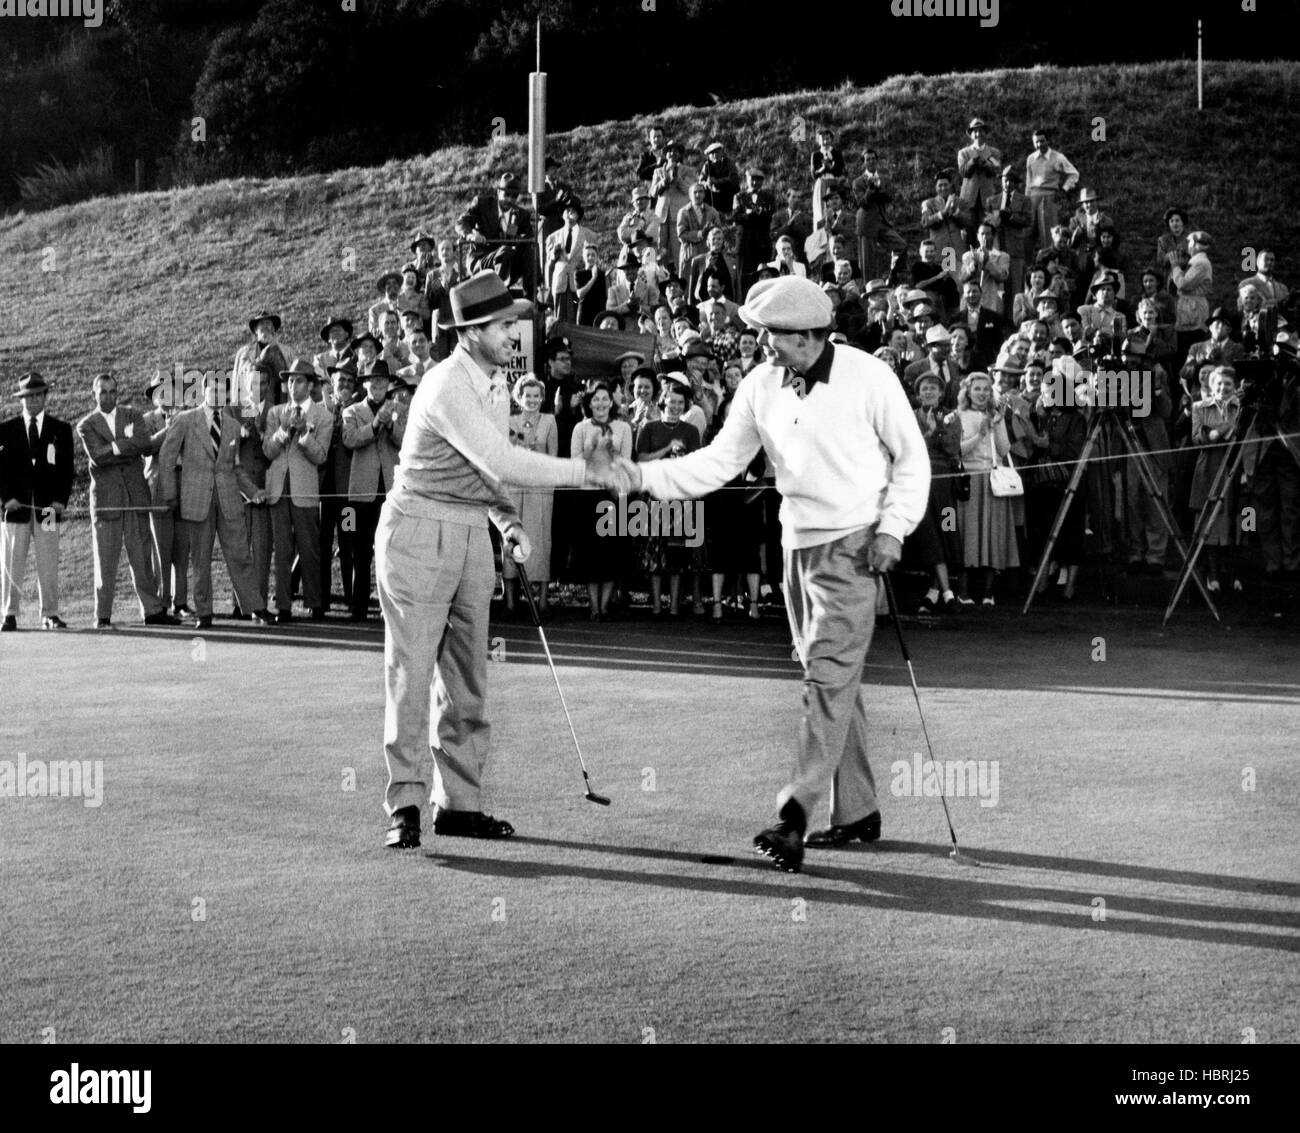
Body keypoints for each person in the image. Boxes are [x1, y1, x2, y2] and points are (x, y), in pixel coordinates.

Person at [616, 277, 929, 872]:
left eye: (770, 336)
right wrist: (642, 477)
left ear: (807, 335)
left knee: (826, 676)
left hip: (856, 548)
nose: (761, 345)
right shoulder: (760, 385)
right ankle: (858, 810)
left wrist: (894, 529)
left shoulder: (870, 376)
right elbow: (719, 463)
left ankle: (794, 816)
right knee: (833, 678)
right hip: (794, 550)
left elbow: (912, 460)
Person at [375, 271, 629, 850]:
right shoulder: (444, 385)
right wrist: (586, 470)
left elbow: (486, 470)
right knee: (411, 672)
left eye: (513, 323)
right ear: (470, 332)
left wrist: (508, 520)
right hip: (417, 529)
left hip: (470, 531)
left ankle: (458, 805)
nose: (513, 334)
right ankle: (405, 805)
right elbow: (501, 459)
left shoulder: (494, 385)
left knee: (467, 679)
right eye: (502, 325)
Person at [158, 371, 270, 629]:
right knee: (201, 559)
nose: (218, 395)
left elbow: (235, 467)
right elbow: (166, 458)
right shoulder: (185, 420)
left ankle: (256, 607)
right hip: (197, 501)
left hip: (229, 500)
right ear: (203, 390)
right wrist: (171, 494)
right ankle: (204, 612)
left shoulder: (232, 424)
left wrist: (253, 492)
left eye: (223, 391)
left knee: (241, 555)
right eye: (214, 389)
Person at [76, 372, 177, 628]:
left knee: (142, 556)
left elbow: (143, 444)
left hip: (135, 496)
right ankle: (103, 615)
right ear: (94, 394)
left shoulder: (132, 415)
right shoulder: (86, 425)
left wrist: (115, 448)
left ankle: (152, 611)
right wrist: (125, 445)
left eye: (113, 391)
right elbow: (99, 456)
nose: (108, 396)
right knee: (105, 559)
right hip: (107, 500)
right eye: (103, 392)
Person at [0, 372, 75, 631]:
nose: (33, 400)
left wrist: (60, 501)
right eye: (28, 396)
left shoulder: (60, 430)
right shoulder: (5, 430)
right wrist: (6, 498)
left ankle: (50, 614)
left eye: (38, 395)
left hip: (48, 508)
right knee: (12, 561)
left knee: (49, 561)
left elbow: (66, 470)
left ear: (45, 396)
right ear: (21, 399)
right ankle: (9, 613)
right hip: (15, 508)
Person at [263, 359, 333, 622]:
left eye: (299, 380)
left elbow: (321, 456)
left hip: (305, 489)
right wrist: (283, 430)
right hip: (278, 489)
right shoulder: (275, 413)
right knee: (281, 551)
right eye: (290, 381)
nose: (293, 386)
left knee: (309, 548)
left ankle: (315, 602)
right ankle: (283, 605)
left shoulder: (323, 417)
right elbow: (267, 451)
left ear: (311, 385)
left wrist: (304, 434)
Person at [635, 378, 705, 618]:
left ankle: (674, 605)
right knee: (654, 554)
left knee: (677, 555)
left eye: (680, 403)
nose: (675, 406)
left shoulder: (691, 431)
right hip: (654, 495)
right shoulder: (649, 428)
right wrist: (666, 450)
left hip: (679, 496)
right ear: (663, 402)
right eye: (672, 402)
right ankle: (656, 605)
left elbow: (696, 464)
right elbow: (641, 459)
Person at [343, 365, 404, 621]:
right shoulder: (352, 411)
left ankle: (388, 607)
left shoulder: (399, 409)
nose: (378, 385)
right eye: (373, 381)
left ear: (388, 384)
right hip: (362, 492)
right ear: (365, 383)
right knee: (360, 551)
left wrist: (389, 426)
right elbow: (350, 440)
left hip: (390, 491)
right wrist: (376, 423)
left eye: (382, 381)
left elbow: (405, 441)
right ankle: (358, 607)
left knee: (390, 551)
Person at [568, 383, 633, 620]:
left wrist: (611, 451)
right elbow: (575, 463)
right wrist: (591, 448)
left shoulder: (623, 427)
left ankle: (604, 606)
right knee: (589, 553)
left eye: (605, 398)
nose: (601, 403)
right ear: (589, 402)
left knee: (611, 552)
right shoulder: (580, 427)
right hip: (588, 495)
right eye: (596, 399)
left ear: (611, 402)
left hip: (613, 495)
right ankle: (593, 606)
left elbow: (626, 462)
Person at [954, 371, 1018, 605]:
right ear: (968, 392)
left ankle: (988, 593)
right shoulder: (958, 416)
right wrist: (980, 433)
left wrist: (998, 424)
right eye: (977, 389)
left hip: (994, 481)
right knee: (967, 535)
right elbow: (957, 451)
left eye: (986, 389)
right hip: (969, 480)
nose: (981, 393)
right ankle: (963, 592)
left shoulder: (995, 415)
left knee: (993, 534)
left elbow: (1004, 450)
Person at [906, 372, 963, 612]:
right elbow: (908, 448)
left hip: (945, 487)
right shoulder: (909, 416)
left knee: (948, 530)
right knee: (928, 533)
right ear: (918, 394)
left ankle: (936, 591)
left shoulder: (951, 416)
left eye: (933, 388)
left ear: (941, 393)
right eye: (924, 388)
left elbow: (952, 447)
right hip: (920, 483)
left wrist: (937, 430)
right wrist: (929, 433)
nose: (928, 392)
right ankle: (946, 593)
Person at [1189, 366, 1243, 592]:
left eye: (1228, 384)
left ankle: (1235, 573)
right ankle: (1212, 575)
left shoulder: (1241, 408)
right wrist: (1217, 432)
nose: (1223, 388)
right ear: (1211, 386)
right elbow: (1196, 438)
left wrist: (1219, 430)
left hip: (1237, 471)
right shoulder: (1199, 407)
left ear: (1235, 386)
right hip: (1209, 472)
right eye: (1218, 383)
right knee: (1209, 525)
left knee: (1243, 521)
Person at [141, 371, 189, 617]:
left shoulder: (186, 417)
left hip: (183, 483)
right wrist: (167, 430)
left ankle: (181, 602)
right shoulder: (147, 419)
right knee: (162, 548)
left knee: (182, 548)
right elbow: (146, 447)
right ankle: (163, 602)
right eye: (159, 391)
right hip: (159, 485)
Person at [238, 359, 277, 616]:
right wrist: (239, 434)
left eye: (263, 383)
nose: (258, 387)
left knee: (262, 550)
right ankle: (239, 604)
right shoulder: (234, 410)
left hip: (265, 487)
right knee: (239, 549)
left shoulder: (276, 411)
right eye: (253, 382)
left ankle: (260, 604)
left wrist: (265, 435)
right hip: (239, 487)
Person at [459, 172, 535, 292]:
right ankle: (496, 293)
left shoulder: (521, 215)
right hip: (481, 259)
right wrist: (471, 235)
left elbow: (529, 237)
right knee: (505, 251)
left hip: (508, 263)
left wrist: (520, 240)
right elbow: (462, 222)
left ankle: (531, 293)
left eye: (514, 196)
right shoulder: (482, 204)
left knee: (529, 248)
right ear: (498, 192)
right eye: (506, 195)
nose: (509, 200)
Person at [983, 164, 1033, 317]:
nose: (1008, 183)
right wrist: (995, 221)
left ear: (1016, 183)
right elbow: (986, 222)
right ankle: (997, 315)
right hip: (997, 245)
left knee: (1015, 283)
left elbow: (1028, 220)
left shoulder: (1024, 200)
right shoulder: (992, 200)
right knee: (997, 282)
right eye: (1005, 180)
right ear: (1001, 181)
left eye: (1011, 180)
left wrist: (1011, 217)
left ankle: (1014, 317)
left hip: (1015, 246)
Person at [852, 148, 907, 282]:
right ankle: (868, 289)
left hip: (882, 221)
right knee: (867, 263)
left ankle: (893, 275)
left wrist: (878, 189)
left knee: (901, 245)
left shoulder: (884, 179)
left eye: (873, 159)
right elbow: (862, 203)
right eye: (868, 159)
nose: (871, 161)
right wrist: (870, 190)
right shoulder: (858, 182)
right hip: (866, 223)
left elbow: (889, 197)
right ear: (864, 163)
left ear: (877, 160)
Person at [1024, 128, 1079, 255]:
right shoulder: (1031, 158)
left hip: (1049, 197)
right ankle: (1029, 264)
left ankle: (1051, 261)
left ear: (1047, 141)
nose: (1039, 144)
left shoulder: (1058, 157)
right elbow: (1028, 181)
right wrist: (1026, 200)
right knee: (1028, 232)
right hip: (1033, 197)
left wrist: (1064, 189)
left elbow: (1074, 174)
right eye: (1036, 142)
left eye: (1042, 141)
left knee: (1048, 233)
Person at [1169, 230, 1214, 357]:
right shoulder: (1194, 262)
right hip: (1188, 311)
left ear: (1194, 244)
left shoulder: (1201, 263)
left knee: (1190, 347)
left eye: (1189, 242)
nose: (1188, 246)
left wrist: (1175, 267)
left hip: (1194, 312)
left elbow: (1183, 284)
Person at [732, 168, 776, 292]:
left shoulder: (768, 197)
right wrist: (750, 214)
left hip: (762, 243)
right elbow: (736, 217)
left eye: (758, 180)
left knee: (763, 276)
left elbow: (770, 216)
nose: (755, 183)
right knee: (743, 278)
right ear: (747, 180)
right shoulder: (739, 197)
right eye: (752, 180)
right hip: (744, 244)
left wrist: (759, 213)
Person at [956, 117, 1001, 236]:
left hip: (987, 197)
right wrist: (973, 161)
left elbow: (997, 171)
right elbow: (963, 172)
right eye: (975, 131)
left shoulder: (993, 152)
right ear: (971, 135)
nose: (978, 134)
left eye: (981, 131)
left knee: (986, 229)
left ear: (985, 133)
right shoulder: (963, 153)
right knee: (969, 230)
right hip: (968, 198)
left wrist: (985, 163)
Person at [233, 310, 289, 399]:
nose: (265, 327)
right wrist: (260, 360)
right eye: (262, 324)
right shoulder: (245, 352)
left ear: (273, 329)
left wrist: (274, 350)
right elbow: (243, 374)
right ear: (256, 330)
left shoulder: (286, 351)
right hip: (253, 401)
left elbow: (288, 374)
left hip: (279, 400)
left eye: (268, 323)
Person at [920, 171, 970, 270]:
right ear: (936, 187)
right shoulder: (928, 203)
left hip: (957, 250)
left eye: (945, 185)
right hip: (939, 250)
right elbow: (925, 222)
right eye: (940, 185)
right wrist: (943, 211)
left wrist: (956, 212)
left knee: (958, 278)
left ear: (950, 185)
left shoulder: (960, 202)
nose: (943, 188)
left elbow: (969, 222)